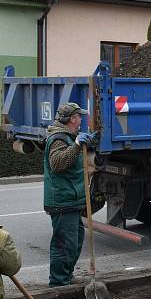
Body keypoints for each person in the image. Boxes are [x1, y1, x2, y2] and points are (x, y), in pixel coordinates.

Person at [44, 102, 97, 287]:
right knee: (64, 245)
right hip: (62, 201)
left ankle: (66, 276)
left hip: (71, 200)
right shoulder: (58, 138)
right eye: (79, 116)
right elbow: (57, 164)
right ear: (72, 119)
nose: (81, 119)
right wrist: (76, 145)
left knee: (74, 242)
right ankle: (58, 283)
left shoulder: (68, 136)